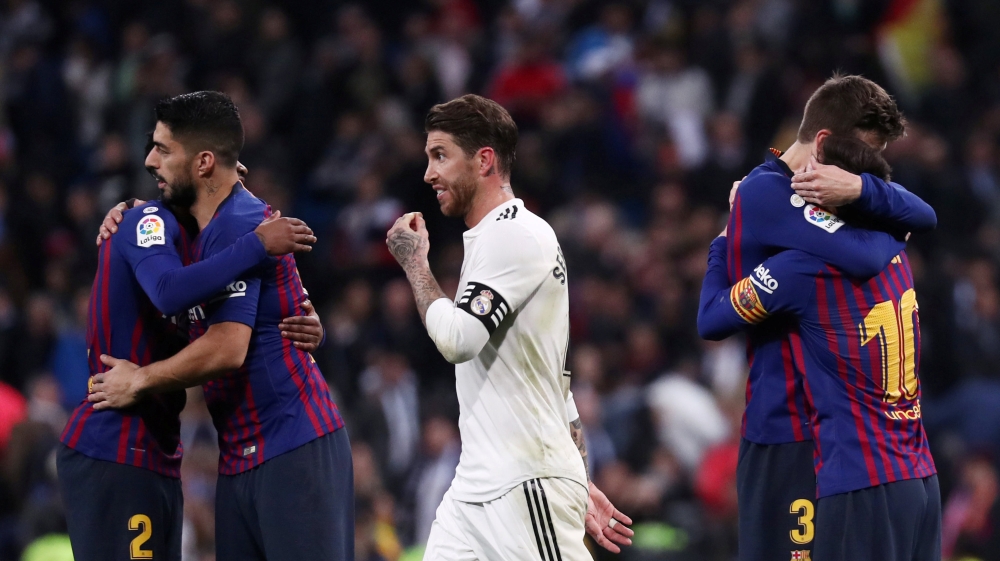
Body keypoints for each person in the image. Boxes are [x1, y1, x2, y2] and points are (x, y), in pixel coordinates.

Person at [87, 91, 353, 561]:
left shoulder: (239, 226)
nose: (150, 160)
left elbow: (228, 348)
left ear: (205, 162)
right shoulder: (205, 230)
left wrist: (141, 380)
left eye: (164, 150)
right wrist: (135, 211)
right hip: (240, 457)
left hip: (292, 445)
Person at [385, 94, 632, 560]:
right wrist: (579, 477)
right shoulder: (492, 240)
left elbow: (458, 339)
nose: (428, 174)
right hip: (476, 489)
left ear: (484, 160)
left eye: (440, 156)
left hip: (524, 483)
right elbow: (555, 383)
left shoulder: (515, 233)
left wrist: (416, 265)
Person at [714, 74, 938, 560]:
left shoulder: (844, 212)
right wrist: (891, 229)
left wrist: (861, 189)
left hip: (840, 442)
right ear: (823, 143)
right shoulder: (767, 196)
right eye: (864, 157)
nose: (870, 177)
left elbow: (924, 215)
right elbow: (712, 318)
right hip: (787, 433)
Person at [58, 178, 318, 560]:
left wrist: (311, 324)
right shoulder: (146, 223)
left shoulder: (204, 250)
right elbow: (168, 290)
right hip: (115, 441)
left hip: (156, 449)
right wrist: (256, 243)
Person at [697, 236, 940, 560]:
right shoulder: (894, 250)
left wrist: (721, 243)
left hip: (837, 461)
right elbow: (916, 213)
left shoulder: (799, 268)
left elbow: (710, 317)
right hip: (915, 464)